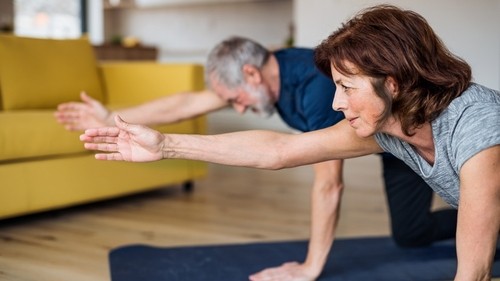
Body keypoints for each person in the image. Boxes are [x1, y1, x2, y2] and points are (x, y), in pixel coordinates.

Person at [67, 30, 463, 280]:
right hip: (380, 141)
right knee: (412, 235)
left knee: (414, 230)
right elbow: (187, 103)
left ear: (253, 75)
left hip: (407, 139)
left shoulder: (319, 91)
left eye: (236, 98)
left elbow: (329, 185)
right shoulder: (266, 69)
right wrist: (113, 116)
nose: (237, 108)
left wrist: (311, 268)